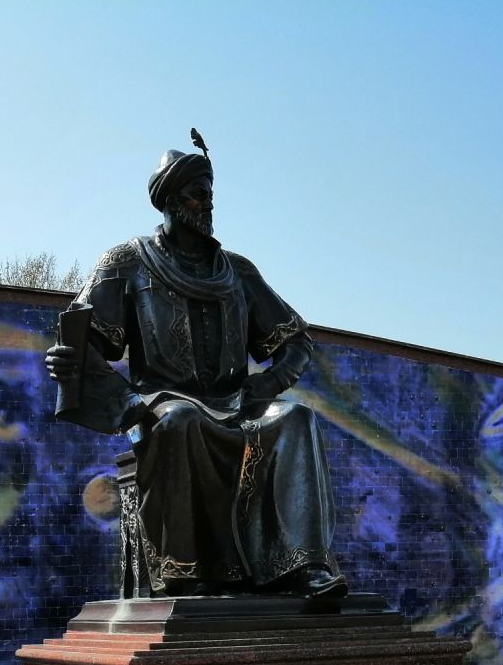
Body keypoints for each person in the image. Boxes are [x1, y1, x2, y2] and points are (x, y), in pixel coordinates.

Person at [45, 133, 346, 600]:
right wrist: (76, 367)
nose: (207, 204)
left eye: (210, 194)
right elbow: (83, 339)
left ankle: (302, 567)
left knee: (296, 418)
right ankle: (187, 572)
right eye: (197, 193)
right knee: (181, 421)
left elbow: (296, 340)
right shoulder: (127, 262)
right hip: (165, 404)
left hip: (236, 404)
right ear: (168, 199)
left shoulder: (237, 271)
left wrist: (268, 382)